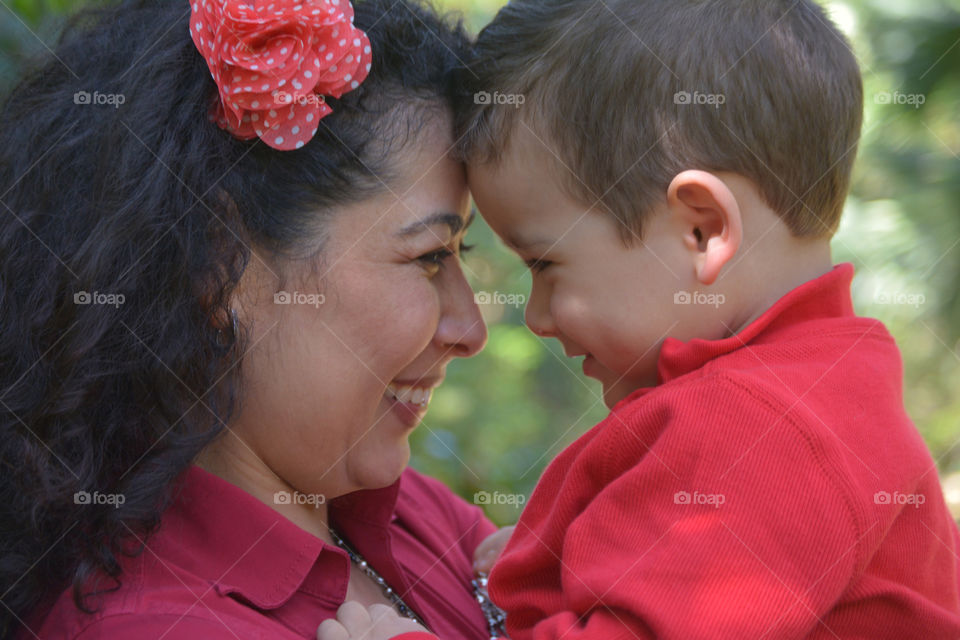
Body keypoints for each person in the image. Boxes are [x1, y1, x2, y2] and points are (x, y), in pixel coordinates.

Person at [318, 0, 960, 638]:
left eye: (543, 264)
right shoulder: (821, 389)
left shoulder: (758, 430)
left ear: (703, 231)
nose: (536, 317)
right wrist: (589, 550)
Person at [0, 1, 508, 638]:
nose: (471, 329)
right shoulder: (157, 626)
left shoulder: (420, 517)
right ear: (220, 266)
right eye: (430, 256)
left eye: (462, 252)